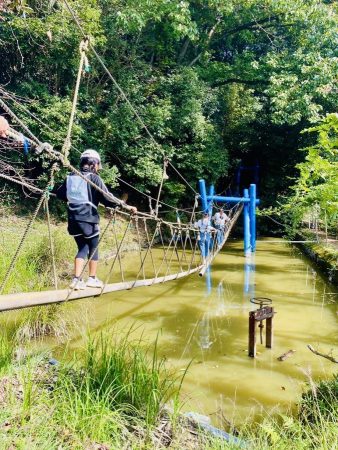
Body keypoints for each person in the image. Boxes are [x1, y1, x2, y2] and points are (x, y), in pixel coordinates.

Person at [56, 149, 137, 290]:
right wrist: (126, 206)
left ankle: (76, 280)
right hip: (88, 219)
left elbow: (61, 194)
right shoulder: (94, 178)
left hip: (73, 219)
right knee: (93, 248)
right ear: (94, 164)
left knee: (82, 247)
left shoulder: (70, 176)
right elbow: (107, 197)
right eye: (98, 164)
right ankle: (92, 279)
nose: (99, 168)